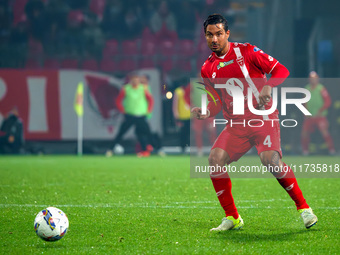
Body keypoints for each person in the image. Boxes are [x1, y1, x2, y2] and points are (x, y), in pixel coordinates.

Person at [191, 14, 317, 231]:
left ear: (227, 34)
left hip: (263, 117)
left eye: (219, 34)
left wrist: (268, 86)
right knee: (215, 159)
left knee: (270, 160)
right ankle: (232, 217)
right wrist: (206, 111)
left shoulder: (247, 51)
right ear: (205, 36)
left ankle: (304, 209)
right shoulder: (207, 68)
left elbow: (281, 70)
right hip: (236, 124)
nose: (214, 39)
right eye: (210, 35)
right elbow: (217, 102)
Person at [108, 74, 154, 157]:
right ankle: (111, 149)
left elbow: (150, 99)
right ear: (130, 80)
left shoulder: (143, 88)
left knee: (144, 133)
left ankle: (150, 149)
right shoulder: (126, 89)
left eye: (136, 80)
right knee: (121, 132)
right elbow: (118, 100)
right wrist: (122, 110)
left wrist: (148, 110)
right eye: (133, 80)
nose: (135, 82)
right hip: (129, 115)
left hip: (141, 115)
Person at [301, 71, 335, 155]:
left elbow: (328, 102)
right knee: (304, 133)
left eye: (315, 78)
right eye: (311, 78)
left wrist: (320, 111)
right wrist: (305, 112)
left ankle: (332, 150)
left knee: (324, 132)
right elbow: (304, 102)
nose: (313, 80)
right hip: (309, 116)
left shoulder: (321, 88)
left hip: (320, 116)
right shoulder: (307, 88)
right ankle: (305, 151)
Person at [173, 82, 191, 153]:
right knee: (183, 133)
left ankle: (188, 146)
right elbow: (175, 103)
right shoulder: (178, 91)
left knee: (189, 132)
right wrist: (176, 113)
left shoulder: (190, 90)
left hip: (190, 115)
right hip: (181, 116)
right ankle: (183, 147)